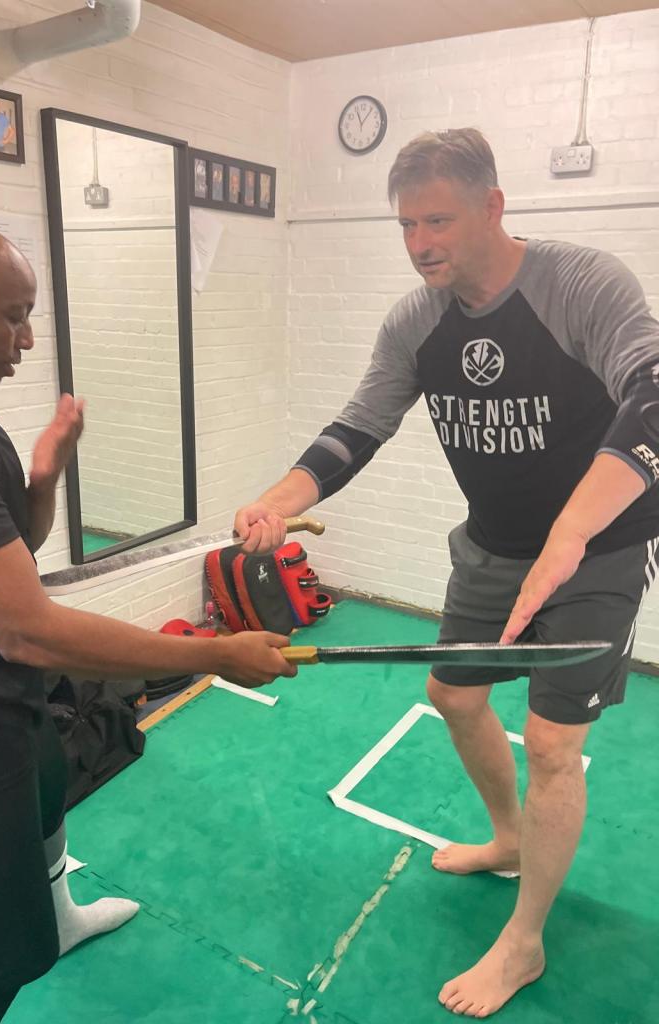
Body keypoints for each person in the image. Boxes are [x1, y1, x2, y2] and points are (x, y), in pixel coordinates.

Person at [233, 127, 659, 1018]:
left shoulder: (580, 284)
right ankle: (508, 838)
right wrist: (276, 498)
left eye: (438, 220)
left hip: (597, 550)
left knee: (553, 747)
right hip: (492, 547)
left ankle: (525, 942)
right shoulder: (415, 322)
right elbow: (358, 427)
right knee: (455, 696)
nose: (420, 242)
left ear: (492, 207)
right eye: (407, 224)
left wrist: (572, 532)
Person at [0, 214, 296, 1024]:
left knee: (47, 804)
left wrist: (43, 475)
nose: (28, 339)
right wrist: (214, 655)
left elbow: (13, 549)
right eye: (13, 316)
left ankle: (62, 917)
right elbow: (28, 629)